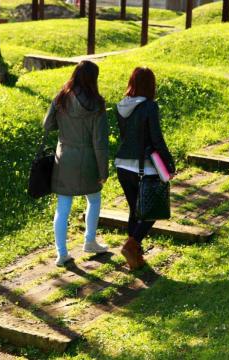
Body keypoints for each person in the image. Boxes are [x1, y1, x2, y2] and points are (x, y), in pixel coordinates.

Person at [43, 60, 110, 267]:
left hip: (64, 157)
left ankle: (61, 254)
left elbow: (47, 125)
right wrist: (103, 170)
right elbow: (100, 142)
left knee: (62, 207)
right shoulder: (97, 104)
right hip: (88, 158)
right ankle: (90, 241)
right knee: (94, 199)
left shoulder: (61, 97)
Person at [115, 67, 176, 270]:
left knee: (135, 210)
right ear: (150, 85)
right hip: (144, 167)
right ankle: (131, 246)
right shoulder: (150, 106)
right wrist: (168, 163)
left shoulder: (121, 105)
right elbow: (156, 138)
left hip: (123, 165)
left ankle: (135, 257)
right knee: (152, 211)